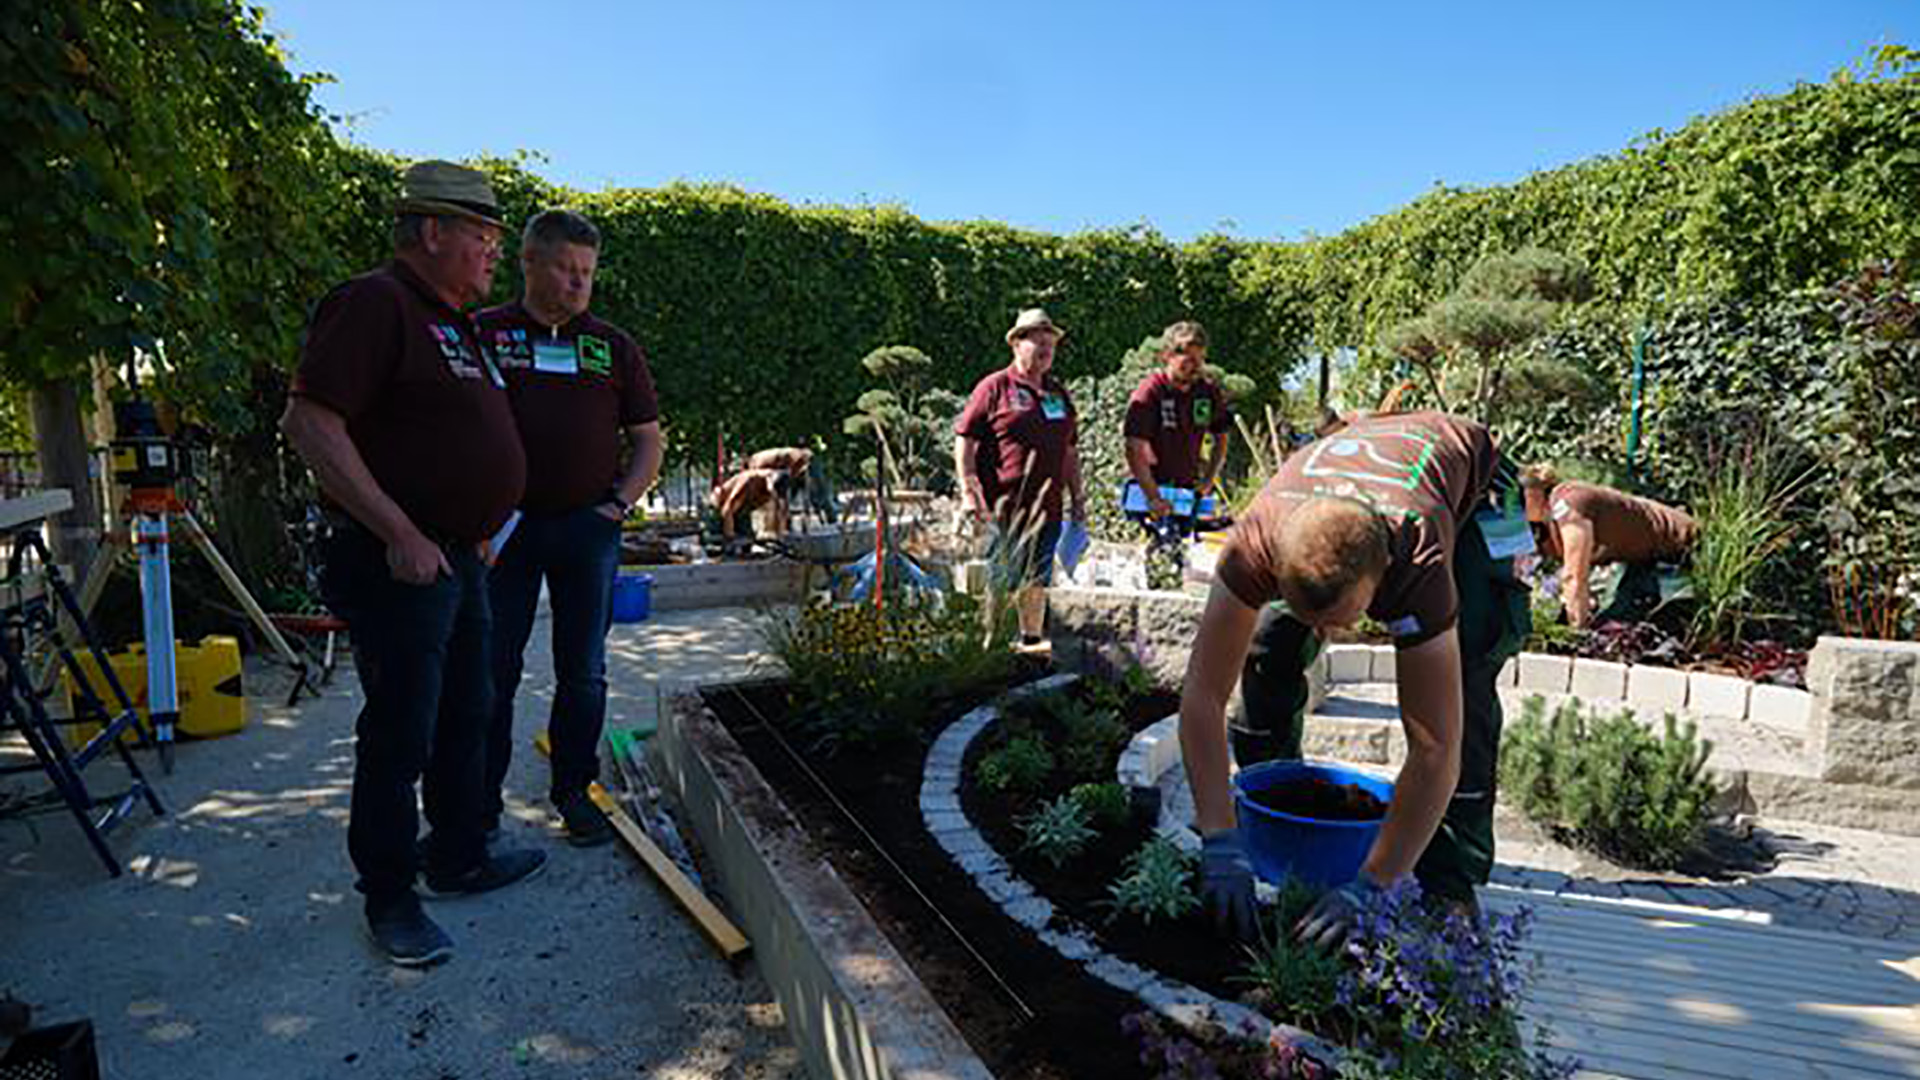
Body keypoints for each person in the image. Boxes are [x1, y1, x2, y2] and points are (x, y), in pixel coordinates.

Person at [281, 160, 547, 967]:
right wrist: (400, 529)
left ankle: (458, 854)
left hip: (460, 560)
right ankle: (389, 896)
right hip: (399, 562)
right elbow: (311, 423)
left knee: (470, 708)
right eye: (481, 234)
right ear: (429, 231)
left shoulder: (454, 320)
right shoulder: (374, 304)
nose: (494, 251)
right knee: (402, 730)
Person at [1176, 411, 1531, 946]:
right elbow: (1202, 697)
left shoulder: (1418, 556)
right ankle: (1280, 819)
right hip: (1345, 477)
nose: (1331, 637)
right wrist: (1219, 837)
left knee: (1467, 671)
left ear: (1384, 579)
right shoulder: (1255, 539)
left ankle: (1449, 883)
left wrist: (1374, 882)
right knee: (1270, 648)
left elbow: (1435, 748)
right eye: (1316, 618)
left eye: (1343, 621)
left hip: (1478, 495)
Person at [478, 209, 663, 848]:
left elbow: (647, 440)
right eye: (565, 268)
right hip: (502, 532)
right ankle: (477, 803)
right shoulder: (482, 335)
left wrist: (618, 505)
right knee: (490, 667)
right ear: (527, 262)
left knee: (582, 669)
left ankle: (574, 791)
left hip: (588, 529)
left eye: (587, 272)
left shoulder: (612, 346)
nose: (578, 283)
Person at [954, 308, 1087, 646]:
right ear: (1016, 344)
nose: (1046, 349)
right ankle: (991, 646)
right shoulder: (995, 387)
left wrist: (1079, 501)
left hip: (1049, 510)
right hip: (1005, 510)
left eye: (1051, 343)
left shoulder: (1058, 394)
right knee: (1001, 582)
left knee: (1036, 582)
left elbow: (1070, 451)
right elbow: (965, 441)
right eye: (1037, 341)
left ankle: (1029, 643)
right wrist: (970, 492)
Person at [1520, 465, 1698, 628]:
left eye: (1519, 496)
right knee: (1613, 621)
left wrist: (1575, 632)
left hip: (1683, 547)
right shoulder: (1547, 521)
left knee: (1625, 623)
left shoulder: (1569, 503)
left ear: (1534, 492)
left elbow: (1575, 575)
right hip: (1644, 559)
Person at [1123, 320, 1232, 522]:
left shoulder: (1207, 392)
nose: (1196, 366)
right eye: (1188, 359)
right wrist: (1153, 497)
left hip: (1187, 493)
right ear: (1167, 355)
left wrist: (1208, 480)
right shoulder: (1150, 391)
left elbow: (1222, 436)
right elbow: (1133, 448)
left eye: (1201, 359)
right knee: (1161, 548)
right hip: (1149, 491)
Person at [712, 467, 793, 539]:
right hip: (720, 508)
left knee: (747, 539)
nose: (772, 496)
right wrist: (730, 536)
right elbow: (727, 508)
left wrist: (779, 534)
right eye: (773, 493)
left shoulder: (773, 484)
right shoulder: (749, 481)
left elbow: (779, 510)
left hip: (741, 512)